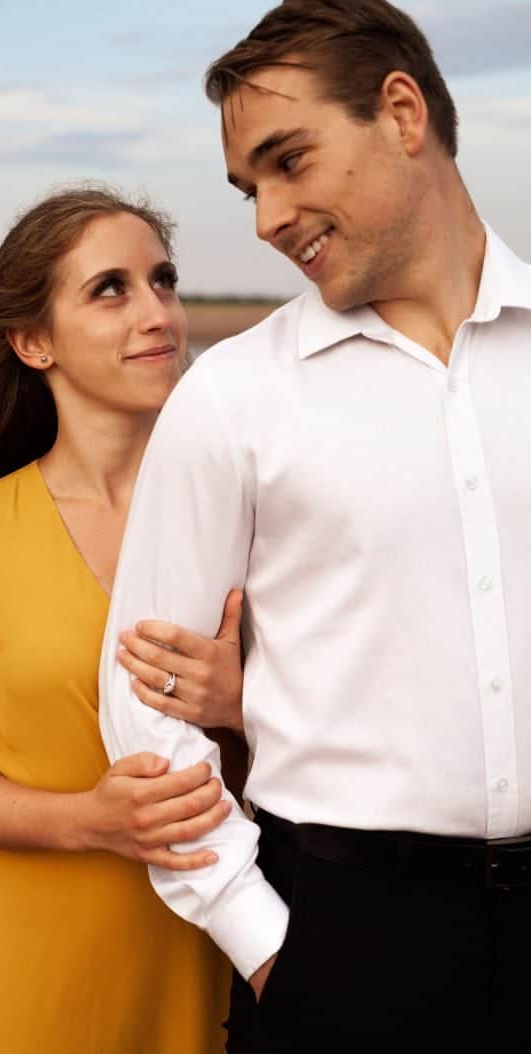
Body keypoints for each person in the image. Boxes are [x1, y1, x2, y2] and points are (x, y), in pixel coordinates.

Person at [99, 2, 531, 1050]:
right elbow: (141, 703)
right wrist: (266, 941)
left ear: (399, 110)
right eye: (250, 187)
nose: (265, 217)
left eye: (288, 161)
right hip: (343, 940)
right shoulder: (232, 397)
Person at [0, 186, 248, 1053]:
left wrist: (239, 703)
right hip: (33, 967)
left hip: (224, 945)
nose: (156, 312)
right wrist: (90, 819)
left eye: (163, 280)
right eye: (110, 289)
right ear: (31, 341)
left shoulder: (245, 511)